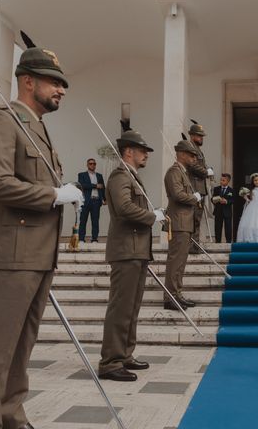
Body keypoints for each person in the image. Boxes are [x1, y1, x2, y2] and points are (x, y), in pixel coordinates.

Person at [0, 48, 83, 429]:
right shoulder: (0, 120)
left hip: (38, 256)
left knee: (19, 347)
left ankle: (10, 415)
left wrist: (59, 190)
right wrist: (52, 196)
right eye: (54, 82)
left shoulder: (37, 128)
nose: (61, 90)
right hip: (9, 256)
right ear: (28, 80)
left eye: (62, 84)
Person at [98, 130, 165, 382]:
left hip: (136, 250)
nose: (146, 154)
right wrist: (152, 216)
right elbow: (125, 208)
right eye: (142, 150)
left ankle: (125, 354)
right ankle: (110, 362)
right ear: (129, 151)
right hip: (126, 250)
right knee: (120, 307)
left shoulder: (132, 176)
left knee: (131, 307)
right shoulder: (120, 176)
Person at [164, 139, 200, 310]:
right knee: (175, 260)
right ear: (182, 154)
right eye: (191, 155)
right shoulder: (174, 172)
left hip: (185, 222)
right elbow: (177, 195)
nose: (194, 158)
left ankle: (177, 293)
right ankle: (170, 297)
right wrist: (195, 198)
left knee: (181, 261)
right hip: (178, 221)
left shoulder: (182, 172)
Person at [186, 120, 213, 252]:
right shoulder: (190, 148)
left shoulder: (197, 150)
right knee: (193, 217)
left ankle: (195, 244)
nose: (201, 138)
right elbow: (192, 165)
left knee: (197, 217)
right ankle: (192, 245)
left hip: (200, 187)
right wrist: (206, 172)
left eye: (201, 136)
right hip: (194, 187)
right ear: (192, 135)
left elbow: (201, 165)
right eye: (199, 135)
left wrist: (208, 169)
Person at [77, 158, 106, 242]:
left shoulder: (99, 176)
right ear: (87, 165)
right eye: (90, 163)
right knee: (83, 220)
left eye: (94, 164)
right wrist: (95, 186)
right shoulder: (82, 175)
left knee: (95, 221)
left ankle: (94, 239)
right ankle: (81, 239)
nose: (92, 165)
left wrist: (104, 199)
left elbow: (102, 187)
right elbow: (82, 185)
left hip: (96, 201)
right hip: (86, 201)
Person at [212, 173, 234, 243]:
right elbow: (212, 198)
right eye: (221, 180)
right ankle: (218, 241)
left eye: (223, 180)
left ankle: (228, 242)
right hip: (218, 211)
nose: (221, 181)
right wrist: (215, 200)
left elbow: (233, 200)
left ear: (228, 181)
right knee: (217, 227)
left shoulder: (231, 190)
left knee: (228, 227)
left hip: (227, 211)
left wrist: (227, 201)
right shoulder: (216, 189)